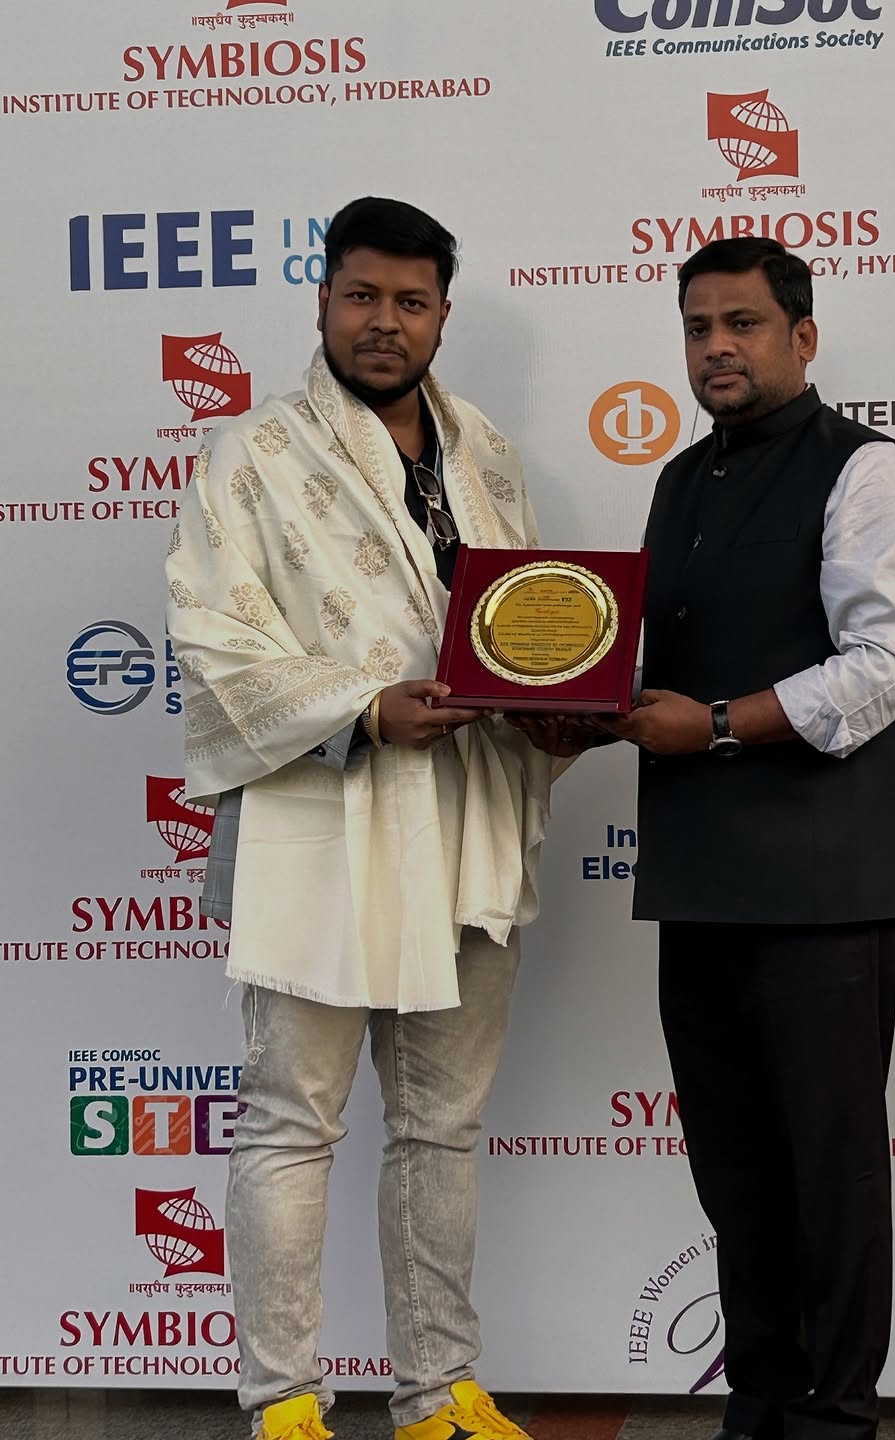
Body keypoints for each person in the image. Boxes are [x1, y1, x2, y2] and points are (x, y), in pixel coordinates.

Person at [522, 236, 895, 1439]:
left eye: (743, 324)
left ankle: (835, 1422)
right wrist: (584, 718)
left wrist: (709, 724)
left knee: (831, 1172)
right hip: (700, 876)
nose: (717, 347)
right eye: (699, 326)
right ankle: (758, 1406)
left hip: (823, 881)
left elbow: (886, 665)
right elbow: (672, 668)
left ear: (802, 338)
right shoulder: (677, 482)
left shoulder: (865, 468)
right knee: (735, 1170)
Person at [166, 196, 555, 1440]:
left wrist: (555, 708)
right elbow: (215, 642)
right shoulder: (252, 454)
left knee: (440, 1126)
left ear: (442, 313)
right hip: (319, 822)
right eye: (362, 296)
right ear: (323, 300)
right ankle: (284, 1401)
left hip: (466, 816)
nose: (385, 322)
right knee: (292, 1121)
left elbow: (528, 620)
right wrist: (365, 709)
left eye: (411, 301)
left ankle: (439, 1391)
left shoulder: (486, 452)